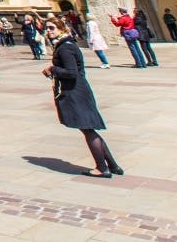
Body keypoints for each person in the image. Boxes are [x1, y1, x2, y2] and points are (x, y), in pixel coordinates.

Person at [42, 20, 123, 178]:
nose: (48, 31)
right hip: (79, 89)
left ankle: (102, 168)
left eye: (52, 28)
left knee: (87, 129)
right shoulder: (68, 44)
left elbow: (71, 72)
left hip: (74, 92)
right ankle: (112, 166)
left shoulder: (65, 48)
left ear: (62, 29)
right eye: (47, 28)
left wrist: (52, 69)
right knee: (89, 129)